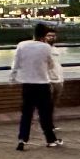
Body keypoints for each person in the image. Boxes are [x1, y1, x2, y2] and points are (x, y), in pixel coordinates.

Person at [10, 22, 64, 150]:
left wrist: (12, 78)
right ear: (44, 36)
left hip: (27, 84)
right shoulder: (46, 48)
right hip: (42, 84)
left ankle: (22, 140)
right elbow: (51, 65)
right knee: (45, 114)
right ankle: (51, 140)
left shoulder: (22, 45)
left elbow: (16, 63)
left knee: (26, 114)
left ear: (33, 33)